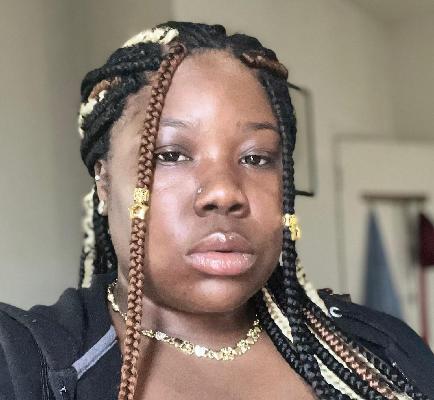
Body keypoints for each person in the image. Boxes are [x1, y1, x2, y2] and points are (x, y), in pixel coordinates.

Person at [0, 21, 433, 400]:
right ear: (104, 178)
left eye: (256, 158)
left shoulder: (382, 348)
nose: (225, 192)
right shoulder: (22, 361)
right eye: (171, 154)